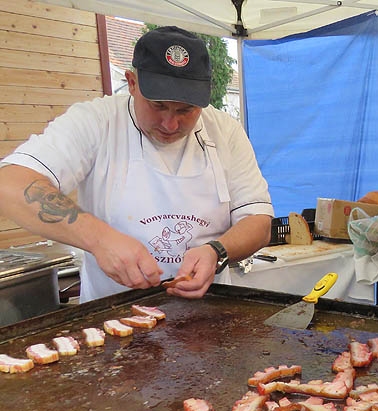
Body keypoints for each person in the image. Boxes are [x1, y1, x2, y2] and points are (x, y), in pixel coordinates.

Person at [0, 26, 274, 302]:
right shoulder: (96, 121)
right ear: (132, 83)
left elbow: (258, 222)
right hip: (115, 320)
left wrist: (217, 250)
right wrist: (100, 239)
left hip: (207, 317)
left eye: (185, 110)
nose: (170, 123)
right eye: (157, 106)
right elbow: (11, 184)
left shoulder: (225, 131)